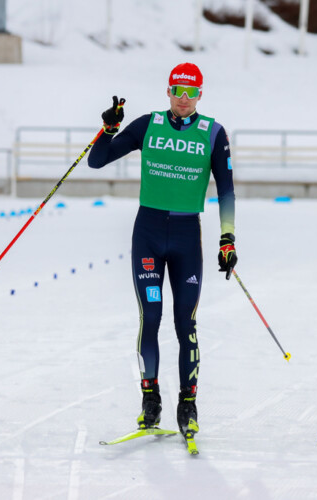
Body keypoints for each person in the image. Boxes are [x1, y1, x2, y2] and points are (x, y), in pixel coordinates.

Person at [88, 62, 237, 438]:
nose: (183, 100)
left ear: (200, 94)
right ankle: (150, 398)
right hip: (149, 235)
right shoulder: (148, 125)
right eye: (177, 91)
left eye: (191, 93)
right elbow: (97, 159)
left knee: (185, 323)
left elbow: (227, 190)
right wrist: (108, 129)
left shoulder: (213, 133)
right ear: (167, 91)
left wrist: (227, 237)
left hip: (187, 236)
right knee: (150, 317)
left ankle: (188, 404)